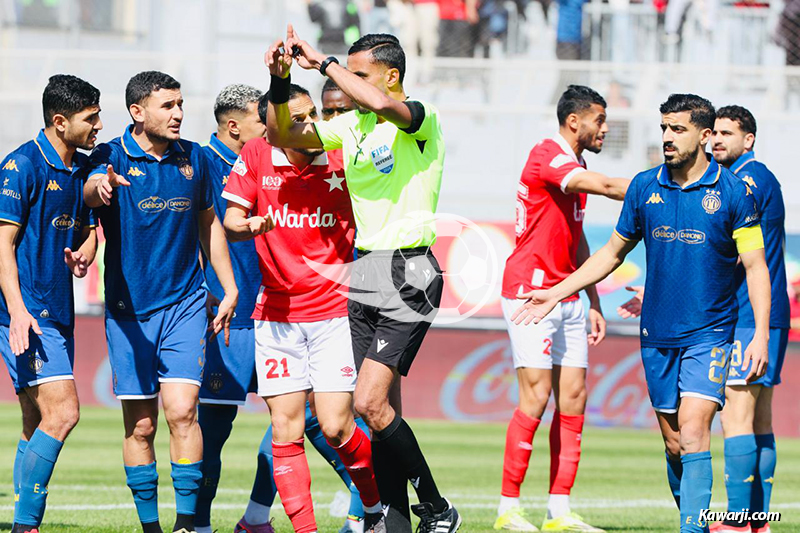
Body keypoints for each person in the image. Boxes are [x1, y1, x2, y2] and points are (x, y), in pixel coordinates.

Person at [514, 94, 772, 533]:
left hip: (711, 332)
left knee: (694, 431)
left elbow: (754, 266)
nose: (668, 138)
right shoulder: (644, 187)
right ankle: (696, 519)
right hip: (656, 334)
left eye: (678, 129)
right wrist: (557, 292)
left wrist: (760, 334)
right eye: (664, 128)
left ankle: (692, 530)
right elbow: (612, 253)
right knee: (674, 444)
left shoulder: (733, 193)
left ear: (705, 136)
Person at [267, 28, 461, 533]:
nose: (349, 86)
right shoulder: (352, 126)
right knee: (381, 409)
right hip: (367, 269)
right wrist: (281, 77)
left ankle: (438, 508)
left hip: (412, 268)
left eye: (360, 74)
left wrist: (327, 65)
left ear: (391, 76)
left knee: (367, 402)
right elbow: (287, 136)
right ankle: (397, 520)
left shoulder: (419, 118)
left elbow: (379, 102)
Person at [223, 83, 384, 533]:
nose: (310, 124)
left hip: (333, 312)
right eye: (298, 119)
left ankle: (374, 509)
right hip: (276, 316)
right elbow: (231, 221)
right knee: (285, 430)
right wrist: (251, 223)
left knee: (336, 426)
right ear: (274, 126)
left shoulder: (340, 156)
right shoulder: (256, 154)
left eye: (313, 113)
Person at [83, 70, 239, 533]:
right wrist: (101, 188)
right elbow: (91, 190)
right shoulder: (109, 154)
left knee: (182, 411)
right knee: (141, 426)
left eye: (180, 104)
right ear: (137, 112)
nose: (178, 114)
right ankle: (150, 527)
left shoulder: (195, 158)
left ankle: (187, 524)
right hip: (129, 313)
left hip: (186, 304)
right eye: (167, 106)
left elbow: (210, 224)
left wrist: (228, 287)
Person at [494, 85, 627, 533]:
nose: (605, 129)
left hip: (567, 294)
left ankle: (559, 510)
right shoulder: (547, 155)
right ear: (575, 121)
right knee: (535, 397)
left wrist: (592, 298)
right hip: (531, 293)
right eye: (599, 120)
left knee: (573, 399)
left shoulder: (576, 163)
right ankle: (507, 509)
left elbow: (577, 236)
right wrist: (662, 184)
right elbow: (609, 187)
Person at [0, 74, 101, 533]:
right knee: (64, 413)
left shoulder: (81, 170)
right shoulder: (21, 166)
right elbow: (2, 246)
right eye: (90, 117)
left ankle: (18, 516)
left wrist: (86, 252)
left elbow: (85, 231)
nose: (99, 125)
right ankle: (26, 526)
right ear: (60, 122)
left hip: (57, 309)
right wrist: (17, 311)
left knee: (35, 417)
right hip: (24, 312)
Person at [194, 84, 272, 533]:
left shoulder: (266, 163)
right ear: (234, 125)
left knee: (301, 419)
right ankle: (199, 525)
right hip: (225, 320)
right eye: (263, 121)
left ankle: (257, 516)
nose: (271, 128)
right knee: (213, 431)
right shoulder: (201, 165)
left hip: (276, 314)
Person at [707, 106, 788, 533]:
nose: (716, 140)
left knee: (734, 414)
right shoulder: (758, 179)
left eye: (726, 133)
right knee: (759, 419)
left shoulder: (747, 182)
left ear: (749, 140)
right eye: (713, 133)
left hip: (749, 315)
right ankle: (758, 522)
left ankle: (738, 521)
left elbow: (734, 251)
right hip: (767, 314)